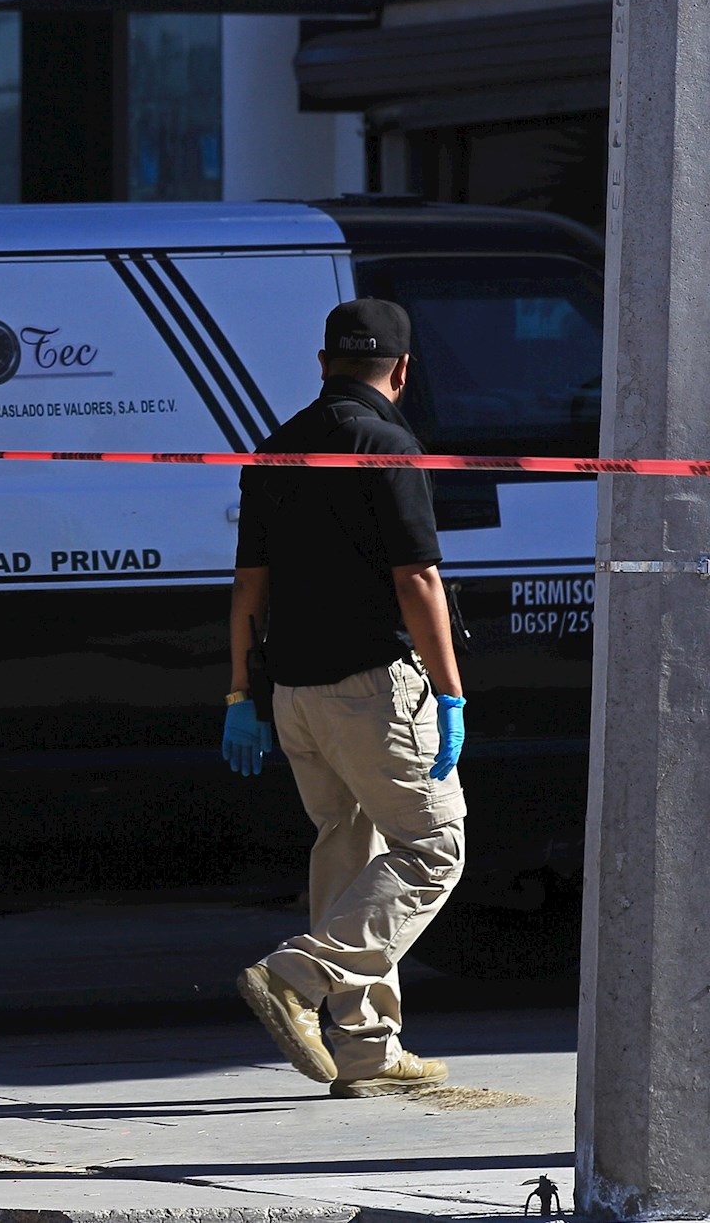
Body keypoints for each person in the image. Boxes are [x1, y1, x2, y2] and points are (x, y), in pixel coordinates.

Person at [223, 299, 467, 1100]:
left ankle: (363, 1047)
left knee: (349, 840)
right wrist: (451, 690)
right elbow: (418, 578)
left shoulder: (276, 448)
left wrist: (238, 692)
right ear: (401, 371)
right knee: (433, 847)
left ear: (323, 362)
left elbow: (248, 586)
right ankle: (299, 974)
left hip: (294, 694)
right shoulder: (390, 444)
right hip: (371, 688)